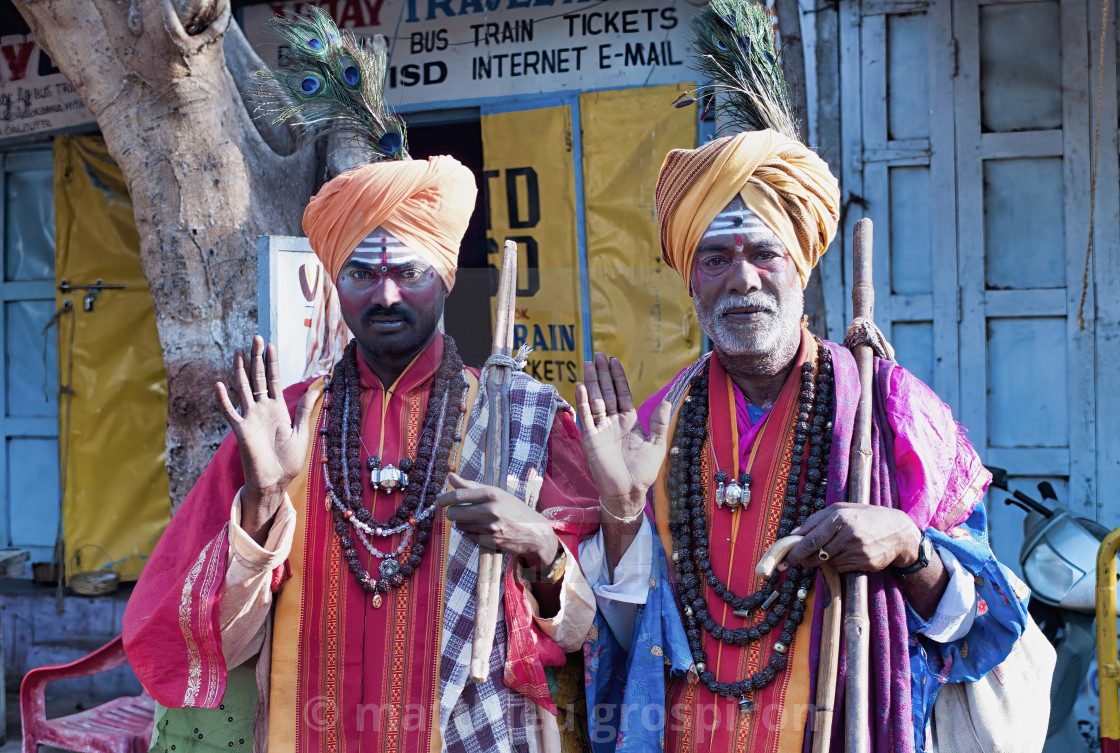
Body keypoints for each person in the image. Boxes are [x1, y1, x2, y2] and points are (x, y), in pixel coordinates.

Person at [123, 11, 597, 753]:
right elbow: (218, 640)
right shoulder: (285, 421)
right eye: (361, 273)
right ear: (333, 283)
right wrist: (264, 500)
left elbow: (584, 629)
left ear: (444, 277)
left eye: (407, 272)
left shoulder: (524, 421)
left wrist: (539, 548)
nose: (383, 295)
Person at [573, 2, 1030, 752]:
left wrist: (908, 548)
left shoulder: (892, 412)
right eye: (714, 259)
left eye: (764, 253)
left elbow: (987, 627)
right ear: (690, 280)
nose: (741, 279)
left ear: (803, 264)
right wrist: (623, 512)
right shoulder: (657, 425)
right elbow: (624, 648)